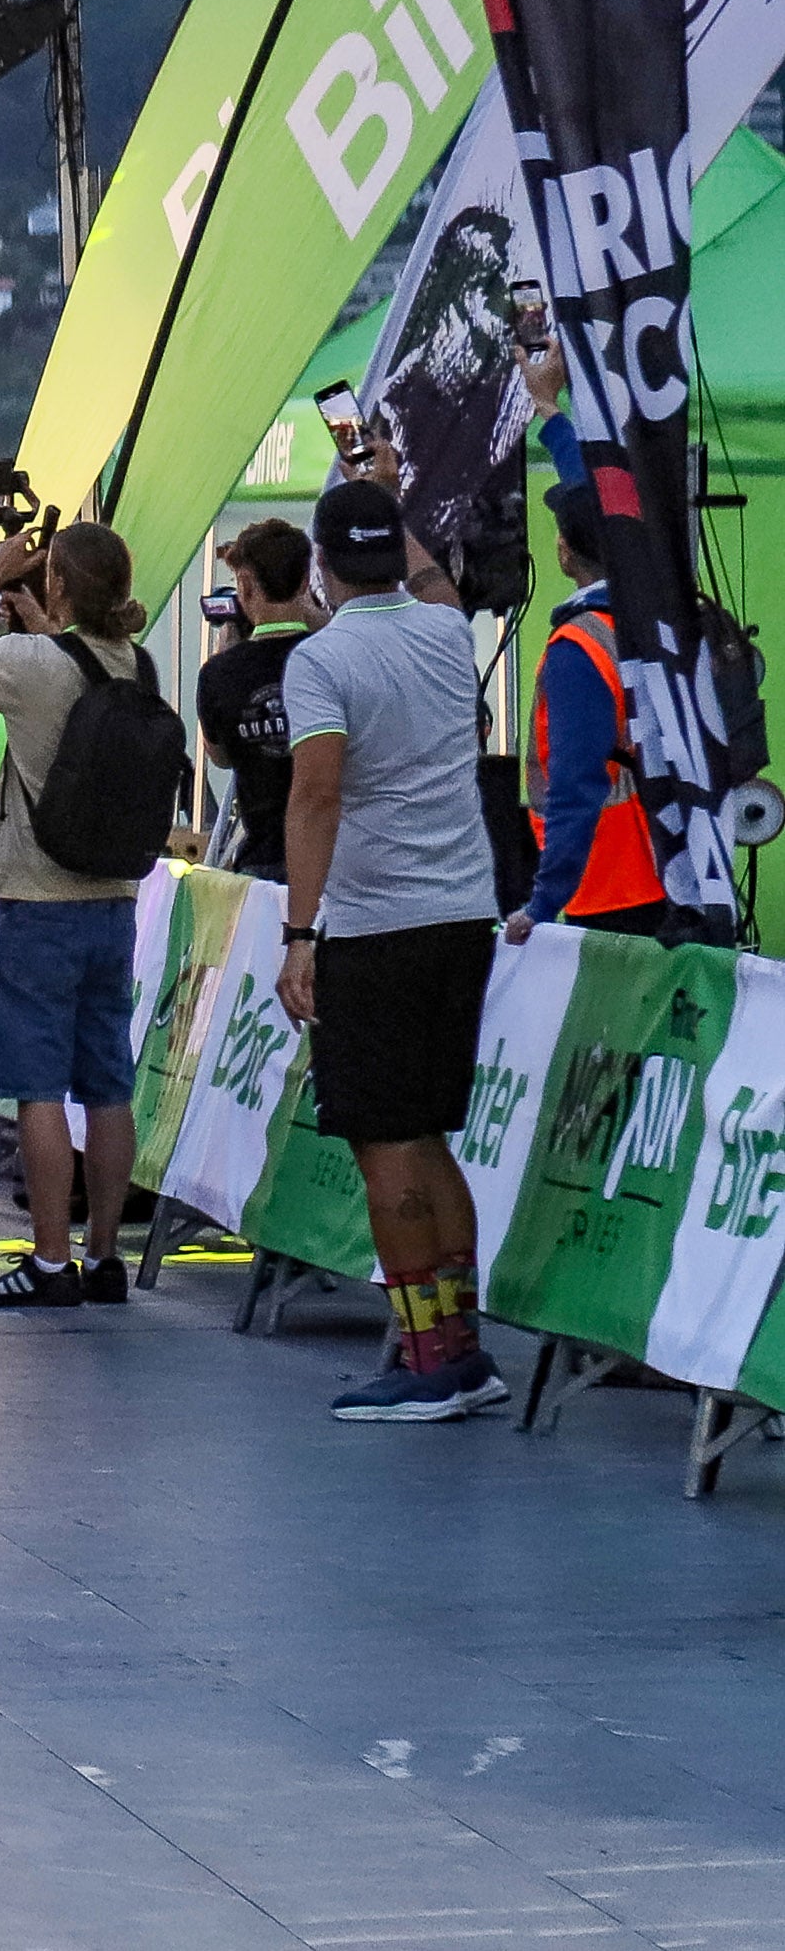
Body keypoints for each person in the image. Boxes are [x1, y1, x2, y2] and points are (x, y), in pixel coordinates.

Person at [278, 477, 507, 1422]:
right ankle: (461, 1350)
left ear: (322, 568)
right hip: (464, 915)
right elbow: (435, 583)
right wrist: (390, 487)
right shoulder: (446, 631)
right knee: (428, 1135)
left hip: (377, 926)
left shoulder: (320, 660)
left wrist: (298, 934)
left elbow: (316, 795)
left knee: (386, 1146)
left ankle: (425, 1361)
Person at [0, 521, 156, 1310]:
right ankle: (104, 1258)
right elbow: (73, 663)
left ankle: (48, 1261)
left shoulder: (29, 665)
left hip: (37, 901)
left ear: (55, 586)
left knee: (39, 1089)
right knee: (106, 1085)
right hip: (111, 902)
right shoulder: (135, 661)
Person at [516, 476, 665, 940]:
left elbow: (575, 783)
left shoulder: (579, 645)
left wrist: (542, 903)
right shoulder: (659, 620)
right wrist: (554, 421)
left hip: (609, 883)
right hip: (675, 867)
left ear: (565, 549)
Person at [197, 520, 325, 879]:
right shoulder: (335, 654)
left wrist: (226, 656)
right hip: (334, 856)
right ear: (304, 582)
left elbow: (219, 757)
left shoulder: (218, 674)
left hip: (263, 860)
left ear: (246, 585)